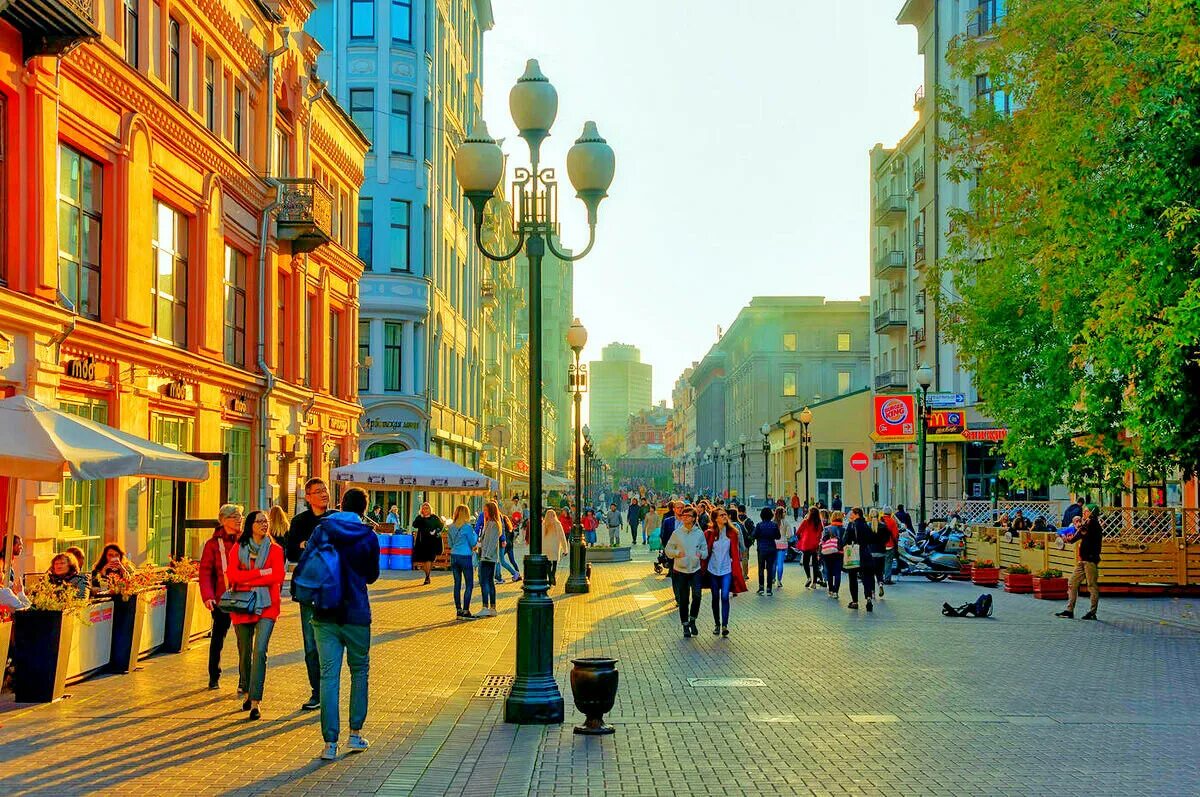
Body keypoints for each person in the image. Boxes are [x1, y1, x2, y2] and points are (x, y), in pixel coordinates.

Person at [302, 487, 379, 761]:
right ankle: (355, 734)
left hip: (324, 612)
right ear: (364, 509)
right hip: (356, 612)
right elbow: (372, 576)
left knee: (328, 676)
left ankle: (329, 743)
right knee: (359, 673)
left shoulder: (322, 530)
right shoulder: (368, 536)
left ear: (341, 504)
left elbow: (307, 563)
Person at [227, 509, 285, 720]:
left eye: (266, 521)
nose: (264, 524)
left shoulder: (276, 551)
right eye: (259, 521)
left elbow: (277, 576)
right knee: (245, 653)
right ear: (250, 525)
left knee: (260, 650)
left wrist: (248, 578)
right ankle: (248, 691)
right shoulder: (238, 549)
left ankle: (255, 702)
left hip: (267, 606)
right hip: (242, 605)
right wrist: (262, 573)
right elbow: (232, 575)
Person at [200, 504, 242, 690]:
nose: (239, 519)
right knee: (218, 638)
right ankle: (213, 676)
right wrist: (208, 596)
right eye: (235, 516)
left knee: (245, 641)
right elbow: (205, 572)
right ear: (224, 520)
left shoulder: (247, 541)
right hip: (221, 599)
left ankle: (245, 679)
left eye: (240, 515)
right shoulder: (212, 544)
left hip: (245, 598)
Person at [664, 505, 708, 638]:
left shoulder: (699, 534)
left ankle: (693, 619)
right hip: (680, 570)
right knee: (683, 599)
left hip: (695, 570)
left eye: (688, 515)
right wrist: (677, 553)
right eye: (683, 515)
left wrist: (700, 554)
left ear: (694, 518)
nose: (685, 518)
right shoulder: (677, 533)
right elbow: (668, 550)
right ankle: (685, 625)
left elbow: (705, 551)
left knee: (697, 596)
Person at [704, 507, 748, 637]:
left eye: (725, 515)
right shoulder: (709, 533)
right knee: (715, 597)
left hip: (726, 569)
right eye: (721, 515)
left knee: (724, 596)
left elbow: (736, 551)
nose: (725, 517)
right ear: (715, 518)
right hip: (712, 569)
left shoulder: (732, 532)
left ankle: (724, 625)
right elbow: (705, 550)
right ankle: (717, 624)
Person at [1057, 504, 1102, 621]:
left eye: (1086, 511)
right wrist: (1070, 539)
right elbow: (1080, 533)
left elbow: (1082, 532)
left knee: (1092, 586)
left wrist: (1071, 538)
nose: (1084, 513)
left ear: (1092, 513)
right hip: (1083, 560)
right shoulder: (1088, 524)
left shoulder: (1093, 523)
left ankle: (1092, 612)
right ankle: (1069, 610)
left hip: (1090, 560)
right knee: (1072, 583)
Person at [447, 505, 478, 619]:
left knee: (457, 584)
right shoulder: (468, 527)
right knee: (469, 584)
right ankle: (466, 610)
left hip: (454, 556)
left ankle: (458, 610)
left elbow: (450, 544)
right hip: (465, 556)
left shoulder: (451, 527)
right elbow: (473, 542)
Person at [843, 507, 877, 612]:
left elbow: (844, 540)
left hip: (854, 555)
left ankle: (855, 602)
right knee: (867, 577)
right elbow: (872, 538)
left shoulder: (851, 525)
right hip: (866, 554)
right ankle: (868, 598)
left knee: (853, 578)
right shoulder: (866, 525)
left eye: (852, 514)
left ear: (857, 514)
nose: (850, 516)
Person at [476, 501, 503, 617]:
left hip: (487, 558)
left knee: (484, 581)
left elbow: (491, 542)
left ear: (490, 511)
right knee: (490, 582)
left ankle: (485, 606)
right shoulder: (492, 523)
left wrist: (485, 554)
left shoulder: (492, 524)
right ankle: (492, 607)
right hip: (490, 557)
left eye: (486, 510)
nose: (484, 512)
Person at [411, 503, 444, 586]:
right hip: (422, 541)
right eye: (423, 508)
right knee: (424, 561)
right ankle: (427, 575)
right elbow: (414, 525)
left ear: (430, 509)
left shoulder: (434, 517)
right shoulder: (420, 518)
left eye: (427, 508)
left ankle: (427, 577)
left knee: (429, 559)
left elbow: (441, 526)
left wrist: (435, 531)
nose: (425, 510)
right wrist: (421, 517)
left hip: (432, 541)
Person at [753, 507, 781, 596]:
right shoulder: (774, 525)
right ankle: (769, 589)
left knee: (761, 568)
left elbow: (754, 535)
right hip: (772, 549)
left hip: (761, 549)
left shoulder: (759, 525)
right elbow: (778, 536)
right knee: (769, 569)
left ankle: (761, 587)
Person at [797, 506, 823, 589]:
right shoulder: (819, 523)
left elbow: (798, 532)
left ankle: (808, 577)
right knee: (815, 564)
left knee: (805, 562)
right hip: (815, 545)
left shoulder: (806, 521)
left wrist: (801, 538)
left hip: (806, 544)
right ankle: (814, 583)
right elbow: (821, 533)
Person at [541, 509, 569, 587]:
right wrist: (565, 549)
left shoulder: (543, 524)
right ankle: (553, 575)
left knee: (547, 564)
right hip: (555, 547)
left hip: (545, 547)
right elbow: (562, 537)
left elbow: (540, 537)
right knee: (554, 563)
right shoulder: (557, 524)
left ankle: (550, 578)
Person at [821, 511, 846, 598]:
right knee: (838, 572)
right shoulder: (844, 529)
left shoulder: (827, 528)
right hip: (839, 553)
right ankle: (836, 591)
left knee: (829, 572)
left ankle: (830, 590)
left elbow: (823, 540)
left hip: (828, 552)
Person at [880, 507, 900, 586]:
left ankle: (880, 578)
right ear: (891, 513)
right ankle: (887, 579)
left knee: (880, 562)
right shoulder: (892, 521)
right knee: (888, 562)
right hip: (889, 544)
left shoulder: (880, 520)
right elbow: (895, 534)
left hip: (880, 545)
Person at [773, 507, 791, 588]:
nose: (785, 513)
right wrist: (785, 537)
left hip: (773, 544)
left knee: (773, 563)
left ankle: (772, 578)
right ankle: (779, 581)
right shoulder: (786, 522)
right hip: (783, 544)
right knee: (780, 564)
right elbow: (790, 534)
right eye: (784, 512)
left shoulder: (772, 522)